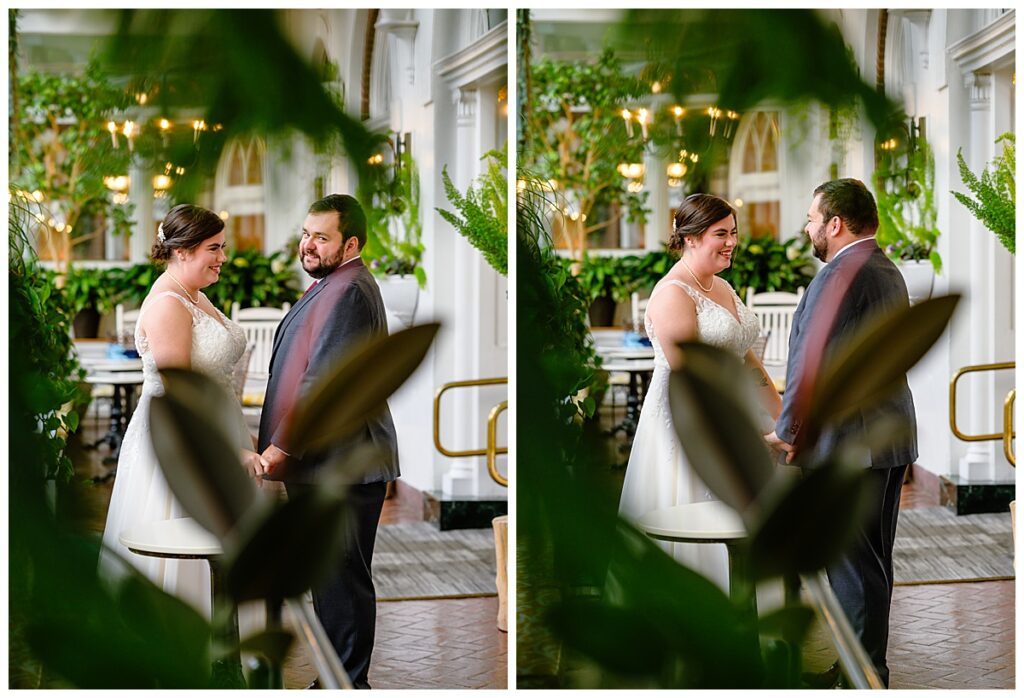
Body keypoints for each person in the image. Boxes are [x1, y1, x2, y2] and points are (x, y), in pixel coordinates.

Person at [765, 178, 918, 687]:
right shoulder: (886, 269)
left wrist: (788, 432)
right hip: (889, 438)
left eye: (811, 218)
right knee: (873, 562)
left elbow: (811, 363)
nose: (808, 228)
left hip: (850, 445)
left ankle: (862, 675)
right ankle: (865, 663)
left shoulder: (837, 276)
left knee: (852, 568)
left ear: (834, 223)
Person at [258, 193, 399, 689]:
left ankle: (345, 682)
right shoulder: (334, 283)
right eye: (305, 234)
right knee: (329, 576)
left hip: (341, 464)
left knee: (341, 581)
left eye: (321, 237)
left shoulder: (351, 290)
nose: (307, 246)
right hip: (322, 464)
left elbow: (324, 382)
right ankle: (335, 677)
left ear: (351, 242)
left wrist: (279, 449)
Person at [101, 204, 265, 617]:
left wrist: (242, 438)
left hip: (215, 429)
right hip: (180, 442)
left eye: (222, 248)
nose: (223, 258)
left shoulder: (196, 296)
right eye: (214, 248)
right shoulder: (167, 304)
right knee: (183, 545)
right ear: (183, 251)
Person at [618, 193, 782, 591]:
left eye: (734, 233)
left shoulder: (722, 286)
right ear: (690, 238)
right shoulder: (673, 293)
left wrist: (783, 417)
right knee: (695, 518)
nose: (731, 243)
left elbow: (746, 360)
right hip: (689, 423)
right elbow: (691, 379)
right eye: (720, 234)